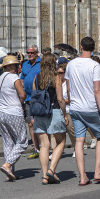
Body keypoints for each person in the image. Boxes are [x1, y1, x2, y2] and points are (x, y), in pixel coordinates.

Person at [65, 36, 100, 186]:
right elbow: (97, 89)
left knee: (79, 140)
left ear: (81, 47)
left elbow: (69, 88)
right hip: (90, 108)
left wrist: (72, 103)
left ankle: (83, 176)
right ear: (93, 48)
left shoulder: (70, 64)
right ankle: (97, 172)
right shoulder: (95, 66)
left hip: (75, 108)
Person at [31, 53, 68, 183]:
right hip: (54, 111)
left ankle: (45, 176)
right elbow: (60, 99)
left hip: (40, 113)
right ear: (54, 64)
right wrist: (64, 114)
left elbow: (34, 96)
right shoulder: (56, 78)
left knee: (44, 145)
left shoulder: (37, 77)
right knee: (61, 142)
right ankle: (51, 170)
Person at [0, 54, 28, 181]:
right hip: (14, 112)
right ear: (10, 66)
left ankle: (10, 172)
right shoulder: (14, 77)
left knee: (9, 142)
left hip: (2, 112)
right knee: (22, 141)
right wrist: (22, 102)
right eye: (15, 64)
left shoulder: (0, 77)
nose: (17, 66)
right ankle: (7, 165)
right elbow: (22, 95)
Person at [20, 45, 42, 159]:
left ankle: (44, 146)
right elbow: (22, 78)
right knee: (30, 123)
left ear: (37, 53)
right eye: (28, 53)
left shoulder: (41, 63)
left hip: (39, 98)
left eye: (31, 53)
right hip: (28, 98)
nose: (29, 55)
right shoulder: (25, 64)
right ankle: (36, 148)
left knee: (41, 122)